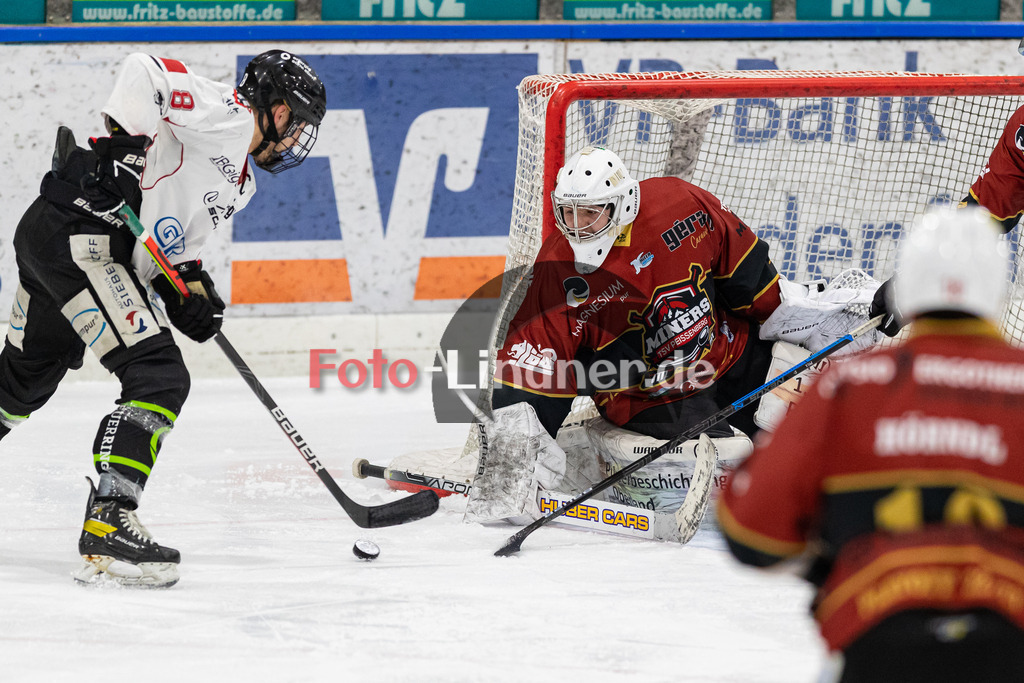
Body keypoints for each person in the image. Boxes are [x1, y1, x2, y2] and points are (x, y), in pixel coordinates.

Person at [0, 50, 326, 587]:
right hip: (83, 237)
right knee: (158, 376)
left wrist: (192, 295)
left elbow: (169, 253)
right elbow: (144, 71)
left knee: (20, 385)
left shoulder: (240, 185)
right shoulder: (231, 112)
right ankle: (109, 516)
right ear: (281, 111)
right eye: (300, 123)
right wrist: (121, 152)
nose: (296, 141)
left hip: (58, 237)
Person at [464, 146, 887, 523]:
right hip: (650, 395)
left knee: (815, 421)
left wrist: (790, 316)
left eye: (591, 212)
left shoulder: (678, 205)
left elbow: (743, 270)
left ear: (623, 203)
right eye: (568, 213)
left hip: (728, 353)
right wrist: (513, 457)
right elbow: (534, 362)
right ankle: (598, 454)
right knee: (723, 466)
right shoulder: (560, 271)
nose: (578, 226)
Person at [718, 206, 1024, 682]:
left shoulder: (849, 386)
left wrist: (829, 561)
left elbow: (751, 532)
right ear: (995, 288)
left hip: (878, 647)